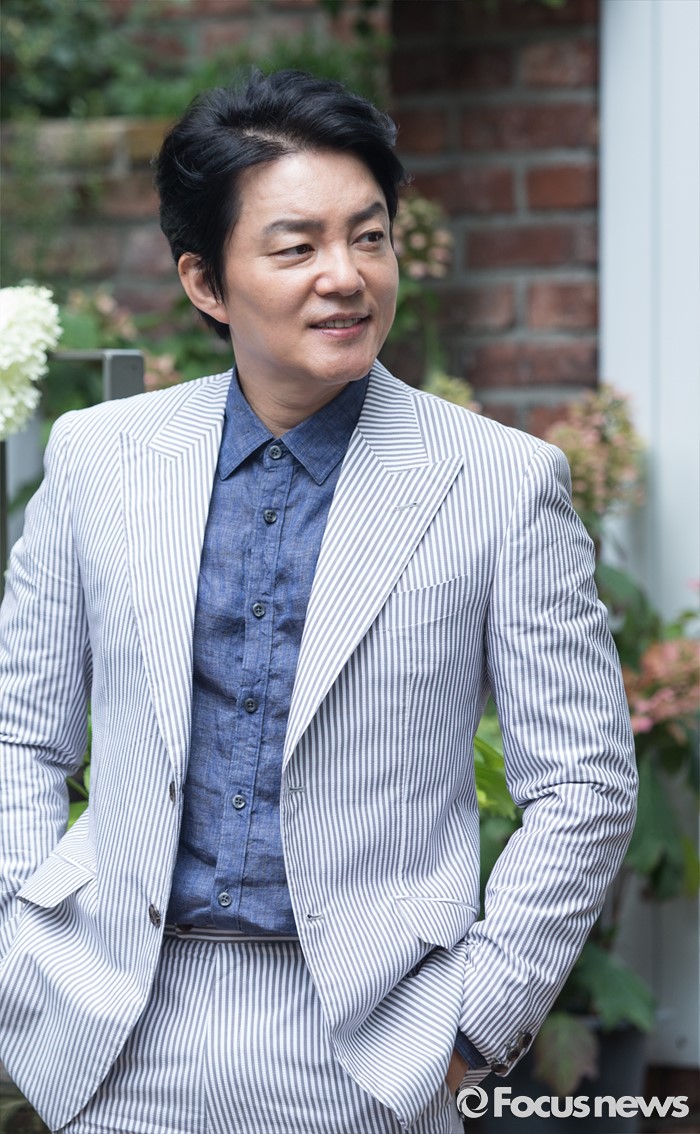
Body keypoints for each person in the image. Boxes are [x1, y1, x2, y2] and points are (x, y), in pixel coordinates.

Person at [0, 70, 637, 1134]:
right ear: (206, 282)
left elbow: (584, 783)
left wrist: (475, 1023)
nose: (345, 277)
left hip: (374, 1047)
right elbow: (20, 732)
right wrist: (16, 948)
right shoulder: (99, 459)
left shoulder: (500, 482)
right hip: (111, 1028)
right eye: (296, 247)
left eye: (369, 237)